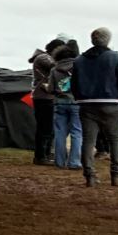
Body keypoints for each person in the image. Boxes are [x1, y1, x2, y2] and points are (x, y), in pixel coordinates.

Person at [73, 28, 118, 187]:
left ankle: (90, 176)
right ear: (108, 40)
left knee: (88, 141)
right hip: (111, 103)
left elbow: (74, 84)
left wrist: (79, 98)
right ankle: (117, 175)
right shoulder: (116, 58)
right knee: (115, 139)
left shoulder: (79, 61)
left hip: (87, 104)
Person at [50, 38, 81, 169]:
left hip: (59, 103)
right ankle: (74, 162)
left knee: (60, 132)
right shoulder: (79, 67)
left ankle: (59, 161)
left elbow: (50, 89)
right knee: (76, 132)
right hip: (76, 102)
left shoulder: (54, 70)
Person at [29, 40, 60, 165]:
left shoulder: (44, 57)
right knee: (45, 128)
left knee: (48, 128)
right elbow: (55, 67)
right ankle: (41, 156)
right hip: (43, 97)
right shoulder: (43, 58)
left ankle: (45, 154)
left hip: (46, 96)